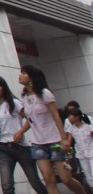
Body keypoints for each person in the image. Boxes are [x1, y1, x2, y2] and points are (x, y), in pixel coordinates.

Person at [19, 65, 86, 193]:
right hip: (37, 142)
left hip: (55, 141)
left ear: (32, 77)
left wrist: (64, 138)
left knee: (66, 179)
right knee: (48, 179)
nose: (20, 75)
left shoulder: (45, 93)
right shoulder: (24, 97)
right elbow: (30, 119)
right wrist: (21, 130)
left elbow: (56, 115)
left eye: (24, 73)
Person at [0, 75, 47, 194]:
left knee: (35, 182)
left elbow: (30, 119)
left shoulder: (14, 103)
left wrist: (21, 131)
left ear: (4, 87)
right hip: (4, 147)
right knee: (6, 186)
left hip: (21, 146)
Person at [64, 102, 93, 185]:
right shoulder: (71, 128)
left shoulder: (88, 127)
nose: (68, 118)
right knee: (88, 175)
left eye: (70, 116)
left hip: (91, 152)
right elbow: (69, 141)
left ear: (77, 117)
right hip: (81, 154)